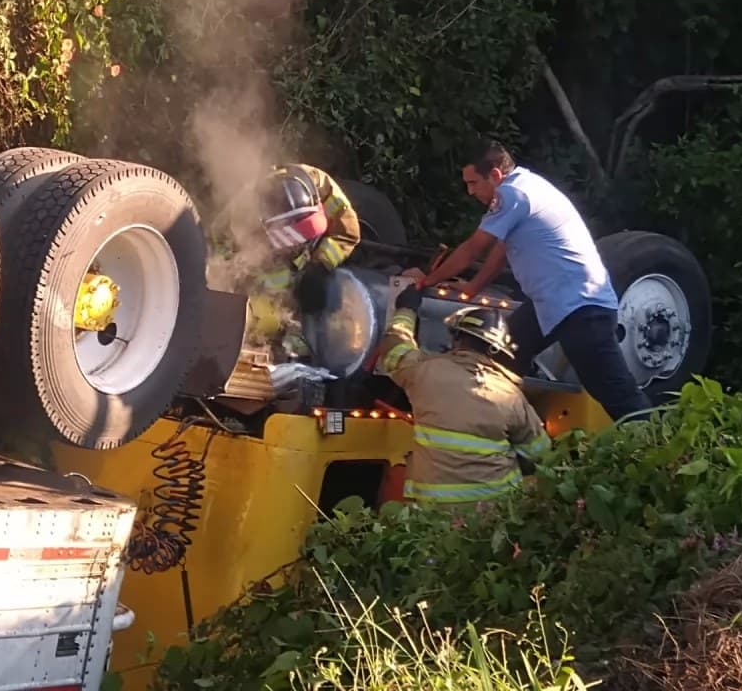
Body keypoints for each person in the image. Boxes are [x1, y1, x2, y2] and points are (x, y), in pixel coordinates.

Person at [412, 141, 651, 423]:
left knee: (614, 390)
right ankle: (491, 425)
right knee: (499, 357)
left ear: (496, 176)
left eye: (474, 183)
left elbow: (472, 249)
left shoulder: (512, 194)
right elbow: (501, 250)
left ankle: (659, 452)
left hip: (580, 306)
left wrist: (424, 281)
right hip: (552, 303)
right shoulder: (527, 187)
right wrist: (473, 287)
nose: (470, 191)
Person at [375, 283, 551, 506]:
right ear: (496, 350)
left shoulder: (425, 372)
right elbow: (541, 453)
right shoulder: (511, 395)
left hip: (432, 511)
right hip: (494, 515)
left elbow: (394, 351)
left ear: (457, 338)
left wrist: (405, 310)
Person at [247, 163, 361, 358]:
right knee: (269, 299)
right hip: (268, 257)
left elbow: (348, 232)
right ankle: (288, 330)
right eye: (294, 243)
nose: (300, 247)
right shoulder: (240, 219)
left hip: (317, 249)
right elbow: (222, 258)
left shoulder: (323, 188)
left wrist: (320, 265)